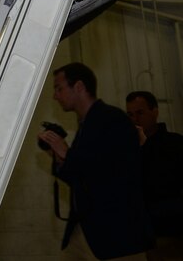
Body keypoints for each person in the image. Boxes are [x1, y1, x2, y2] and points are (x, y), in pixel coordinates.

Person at [38, 63, 153, 260]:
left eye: (59, 89)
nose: (55, 96)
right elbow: (81, 176)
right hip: (94, 230)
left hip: (118, 235)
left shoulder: (112, 119)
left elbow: (112, 175)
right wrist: (58, 156)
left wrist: (66, 152)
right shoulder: (88, 123)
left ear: (79, 87)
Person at [125, 90, 183, 260]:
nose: (135, 119)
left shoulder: (175, 144)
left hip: (171, 229)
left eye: (140, 113)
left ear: (155, 112)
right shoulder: (128, 149)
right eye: (130, 114)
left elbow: (162, 182)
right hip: (144, 231)